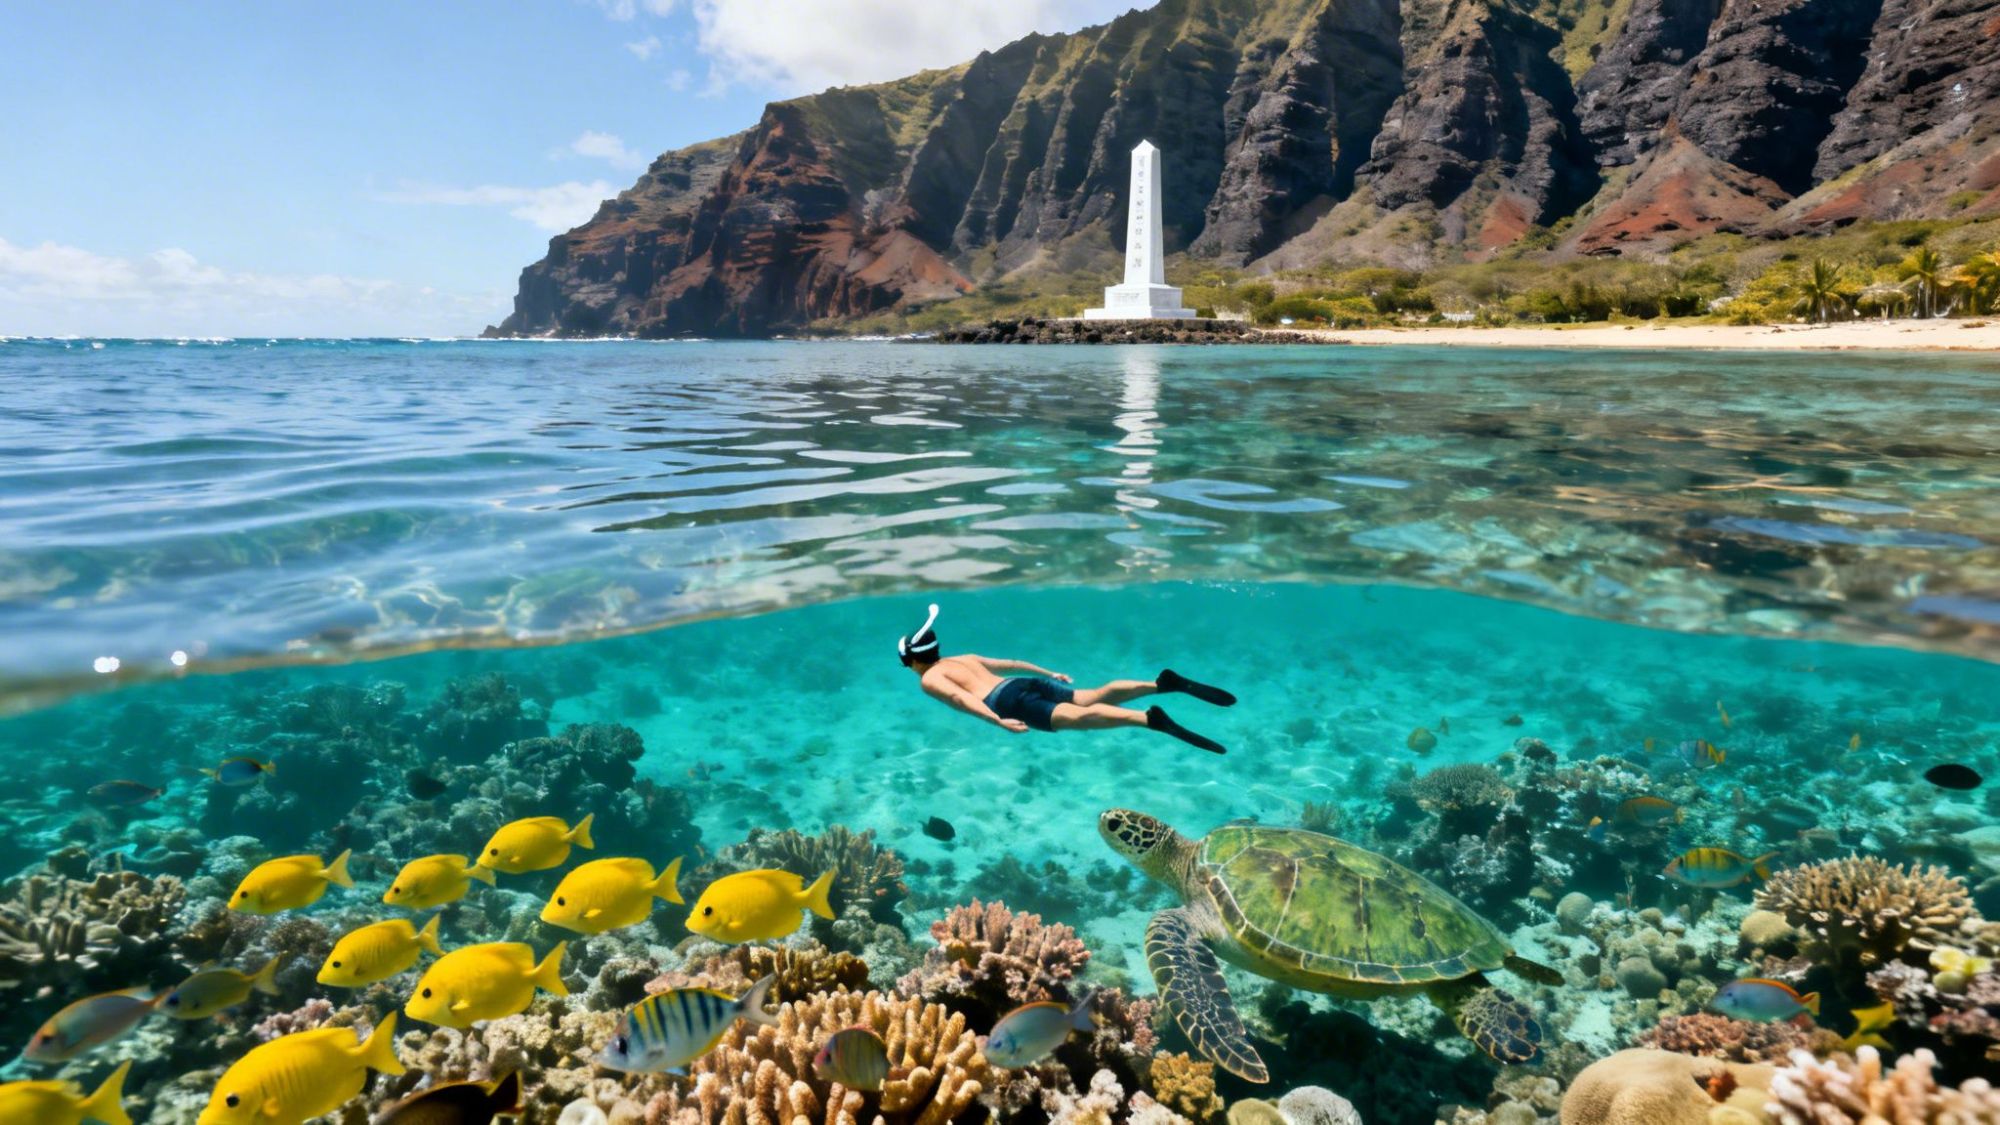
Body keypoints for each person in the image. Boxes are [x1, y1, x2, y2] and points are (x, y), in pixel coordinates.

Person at [895, 604, 1235, 754]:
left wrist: (996, 720)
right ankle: (1162, 684)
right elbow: (1009, 663)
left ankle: (1148, 719)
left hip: (1007, 701)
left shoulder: (930, 679)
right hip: (1022, 685)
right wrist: (1047, 674)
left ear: (910, 659)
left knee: (1078, 718)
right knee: (1092, 696)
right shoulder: (962, 657)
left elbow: (960, 699)